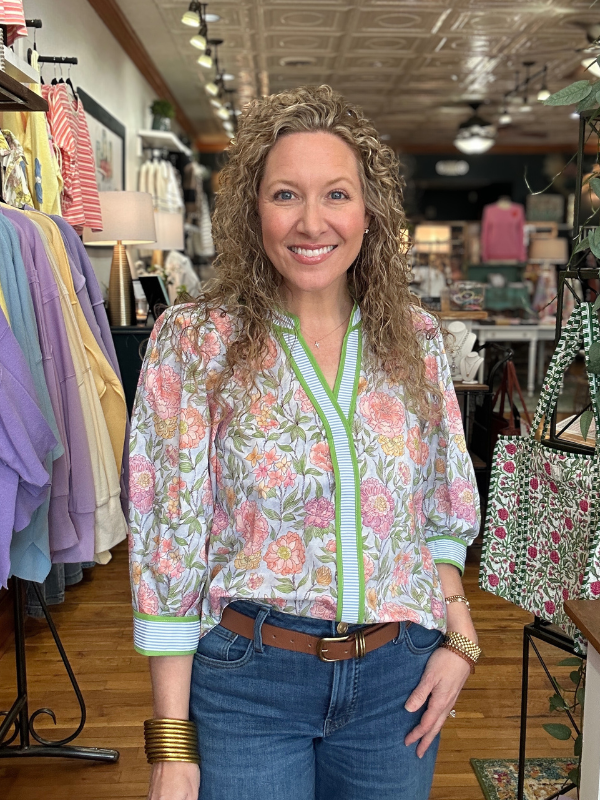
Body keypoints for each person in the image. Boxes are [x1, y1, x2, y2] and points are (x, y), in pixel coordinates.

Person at [129, 84, 481, 800]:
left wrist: (461, 640)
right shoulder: (195, 342)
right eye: (286, 194)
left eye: (336, 195)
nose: (312, 222)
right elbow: (170, 540)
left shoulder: (414, 339)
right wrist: (171, 742)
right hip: (247, 686)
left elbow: (440, 506)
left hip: (398, 680)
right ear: (253, 209)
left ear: (369, 213)